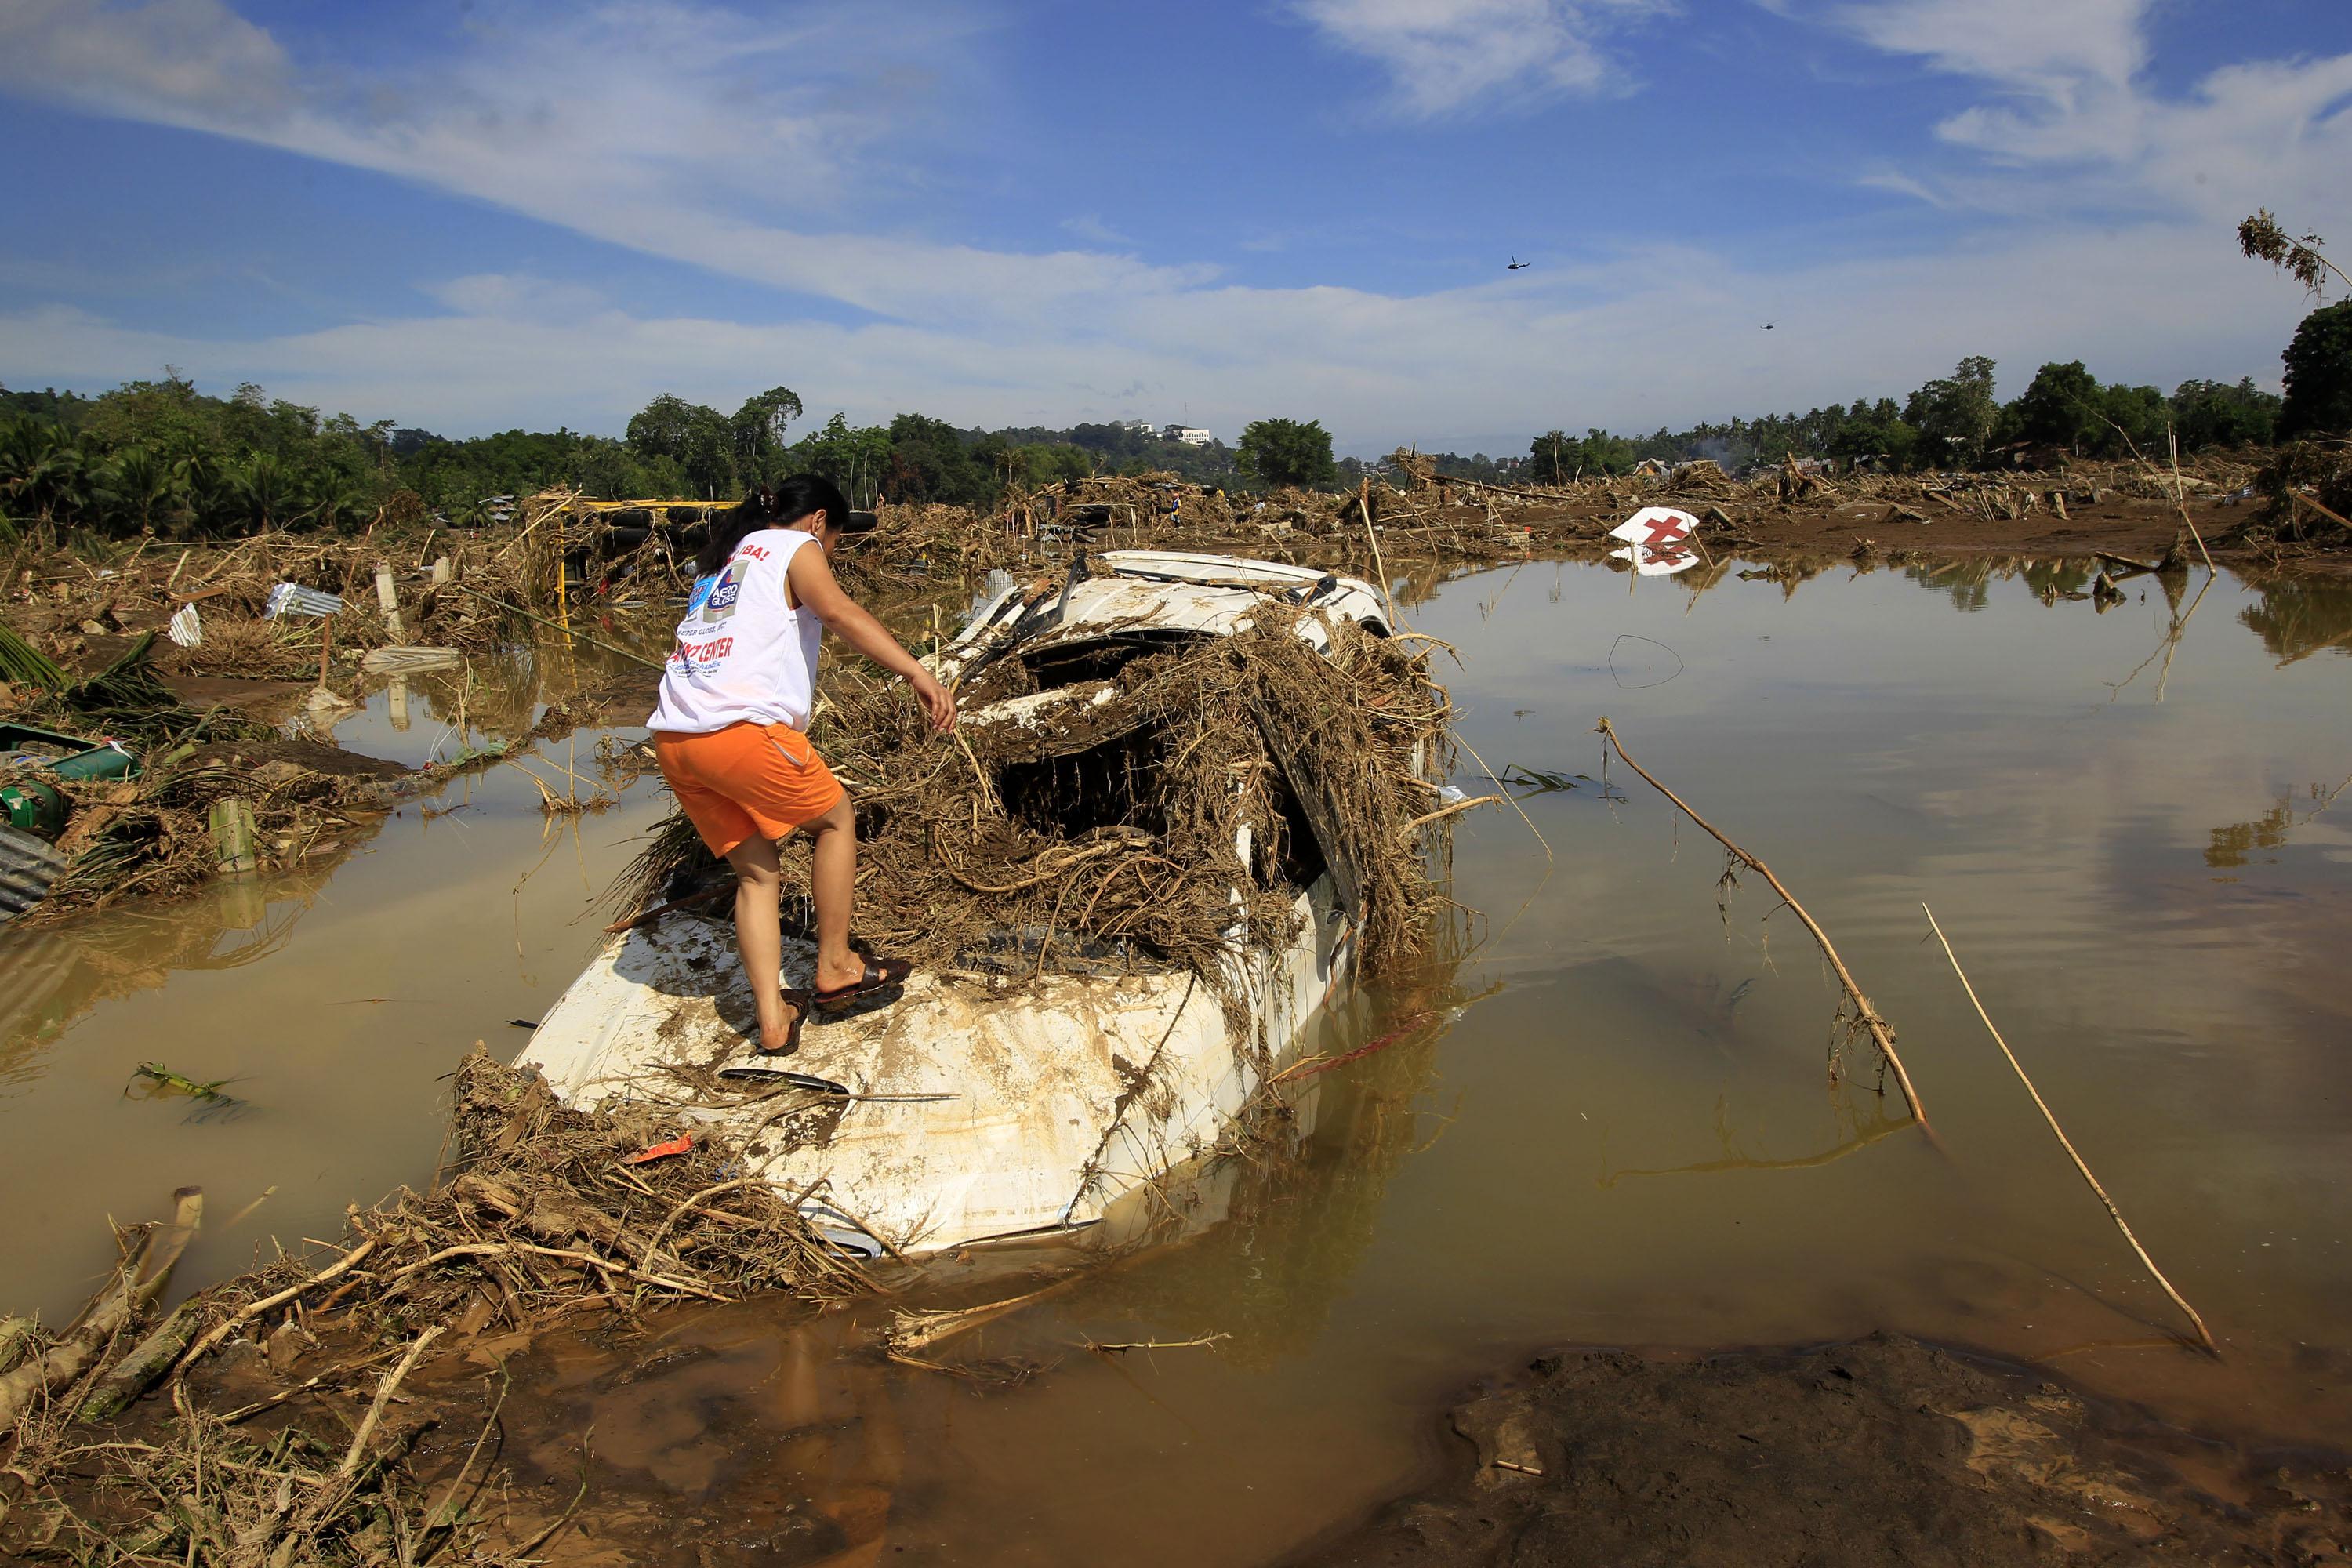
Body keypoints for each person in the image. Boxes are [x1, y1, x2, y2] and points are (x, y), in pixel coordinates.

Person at [645, 475, 957, 1055]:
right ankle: (836, 965)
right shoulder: (794, 547)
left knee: (757, 874)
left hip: (675, 739)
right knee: (836, 819)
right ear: (817, 521)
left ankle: (772, 1020)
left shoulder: (722, 564)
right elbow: (836, 612)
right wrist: (918, 673)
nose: (832, 550)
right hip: (738, 733)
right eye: (836, 536)